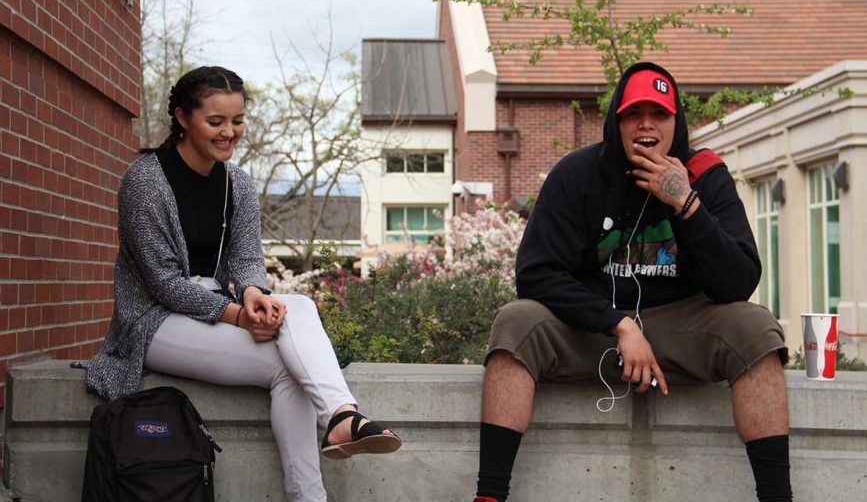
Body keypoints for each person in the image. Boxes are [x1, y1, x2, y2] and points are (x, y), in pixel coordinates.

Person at [472, 62, 791, 502]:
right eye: (633, 113)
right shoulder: (578, 174)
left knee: (756, 328)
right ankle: (489, 496)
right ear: (616, 121)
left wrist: (686, 203)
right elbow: (535, 273)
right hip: (594, 329)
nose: (646, 124)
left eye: (658, 114)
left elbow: (738, 283)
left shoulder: (706, 174)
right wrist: (618, 324)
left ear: (675, 122)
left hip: (682, 326)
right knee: (516, 322)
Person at [79, 66, 400, 502]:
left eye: (237, 120)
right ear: (182, 117)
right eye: (216, 122)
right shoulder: (145, 182)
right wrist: (237, 316)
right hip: (152, 322)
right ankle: (335, 435)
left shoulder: (239, 184)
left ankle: (341, 419)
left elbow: (246, 259)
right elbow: (162, 282)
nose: (229, 132)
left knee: (298, 312)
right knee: (289, 366)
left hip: (215, 309)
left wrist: (253, 295)